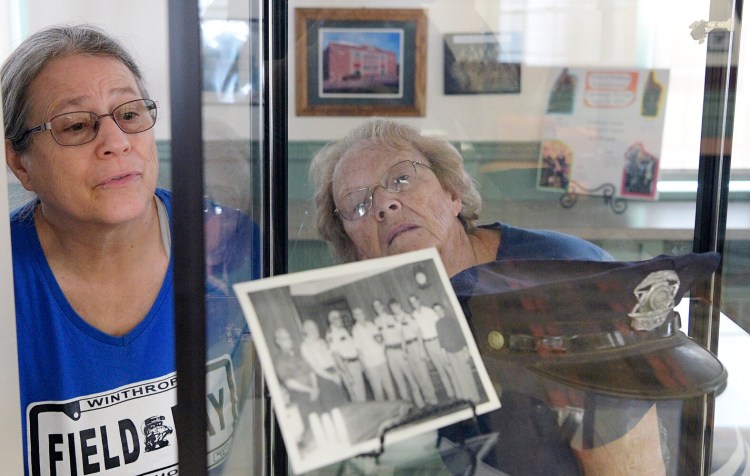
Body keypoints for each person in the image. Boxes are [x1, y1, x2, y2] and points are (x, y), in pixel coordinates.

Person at [308, 117, 666, 474]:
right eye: (358, 205)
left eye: (401, 179)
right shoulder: (366, 326)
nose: (384, 204)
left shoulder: (567, 274)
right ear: (355, 249)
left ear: (452, 194)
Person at [3, 25, 257, 475]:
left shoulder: (226, 239)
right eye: (77, 125)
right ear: (19, 161)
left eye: (131, 114)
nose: (116, 142)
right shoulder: (10, 279)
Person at [372, 298, 425, 408]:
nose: (377, 308)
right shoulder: (376, 322)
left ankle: (420, 403)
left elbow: (401, 334)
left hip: (399, 350)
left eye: (378, 305)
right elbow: (378, 338)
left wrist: (404, 349)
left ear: (382, 306)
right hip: (389, 353)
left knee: (410, 377)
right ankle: (408, 406)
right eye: (375, 306)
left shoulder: (392, 318)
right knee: (398, 380)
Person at [389, 298, 438, 406]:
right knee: (416, 374)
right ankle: (426, 397)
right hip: (405, 348)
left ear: (400, 306)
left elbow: (418, 332)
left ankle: (433, 398)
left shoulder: (408, 317)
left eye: (395, 306)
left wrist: (421, 349)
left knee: (423, 373)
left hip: (415, 345)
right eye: (392, 308)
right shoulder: (393, 320)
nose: (394, 309)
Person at [408, 293, 455, 399]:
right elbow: (418, 333)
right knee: (440, 370)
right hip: (427, 344)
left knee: (448, 366)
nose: (414, 304)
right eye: (411, 303)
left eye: (415, 301)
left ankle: (458, 390)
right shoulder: (413, 315)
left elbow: (439, 326)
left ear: (419, 300)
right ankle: (450, 394)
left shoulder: (429, 311)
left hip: (437, 341)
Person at [432, 302, 481, 402]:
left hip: (459, 350)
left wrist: (465, 350)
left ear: (443, 309)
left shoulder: (452, 320)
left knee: (467, 373)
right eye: (436, 310)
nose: (438, 312)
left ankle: (475, 397)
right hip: (449, 353)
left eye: (439, 309)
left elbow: (461, 335)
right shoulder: (437, 324)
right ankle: (467, 397)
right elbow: (441, 340)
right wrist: (444, 354)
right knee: (458, 375)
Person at [350, 306, 397, 401]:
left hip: (381, 360)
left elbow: (381, 339)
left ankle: (398, 410)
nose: (360, 316)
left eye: (361, 313)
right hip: (370, 365)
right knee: (378, 391)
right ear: (354, 317)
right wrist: (365, 366)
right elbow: (358, 350)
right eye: (357, 314)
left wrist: (382, 351)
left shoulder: (371, 325)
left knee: (389, 387)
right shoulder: (355, 330)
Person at [325, 310, 367, 402]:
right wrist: (347, 373)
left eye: (340, 317)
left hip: (354, 363)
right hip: (347, 366)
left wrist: (360, 362)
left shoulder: (343, 330)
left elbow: (352, 348)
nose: (340, 319)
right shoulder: (331, 334)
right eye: (336, 318)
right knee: (357, 396)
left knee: (361, 393)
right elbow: (336, 355)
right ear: (331, 320)